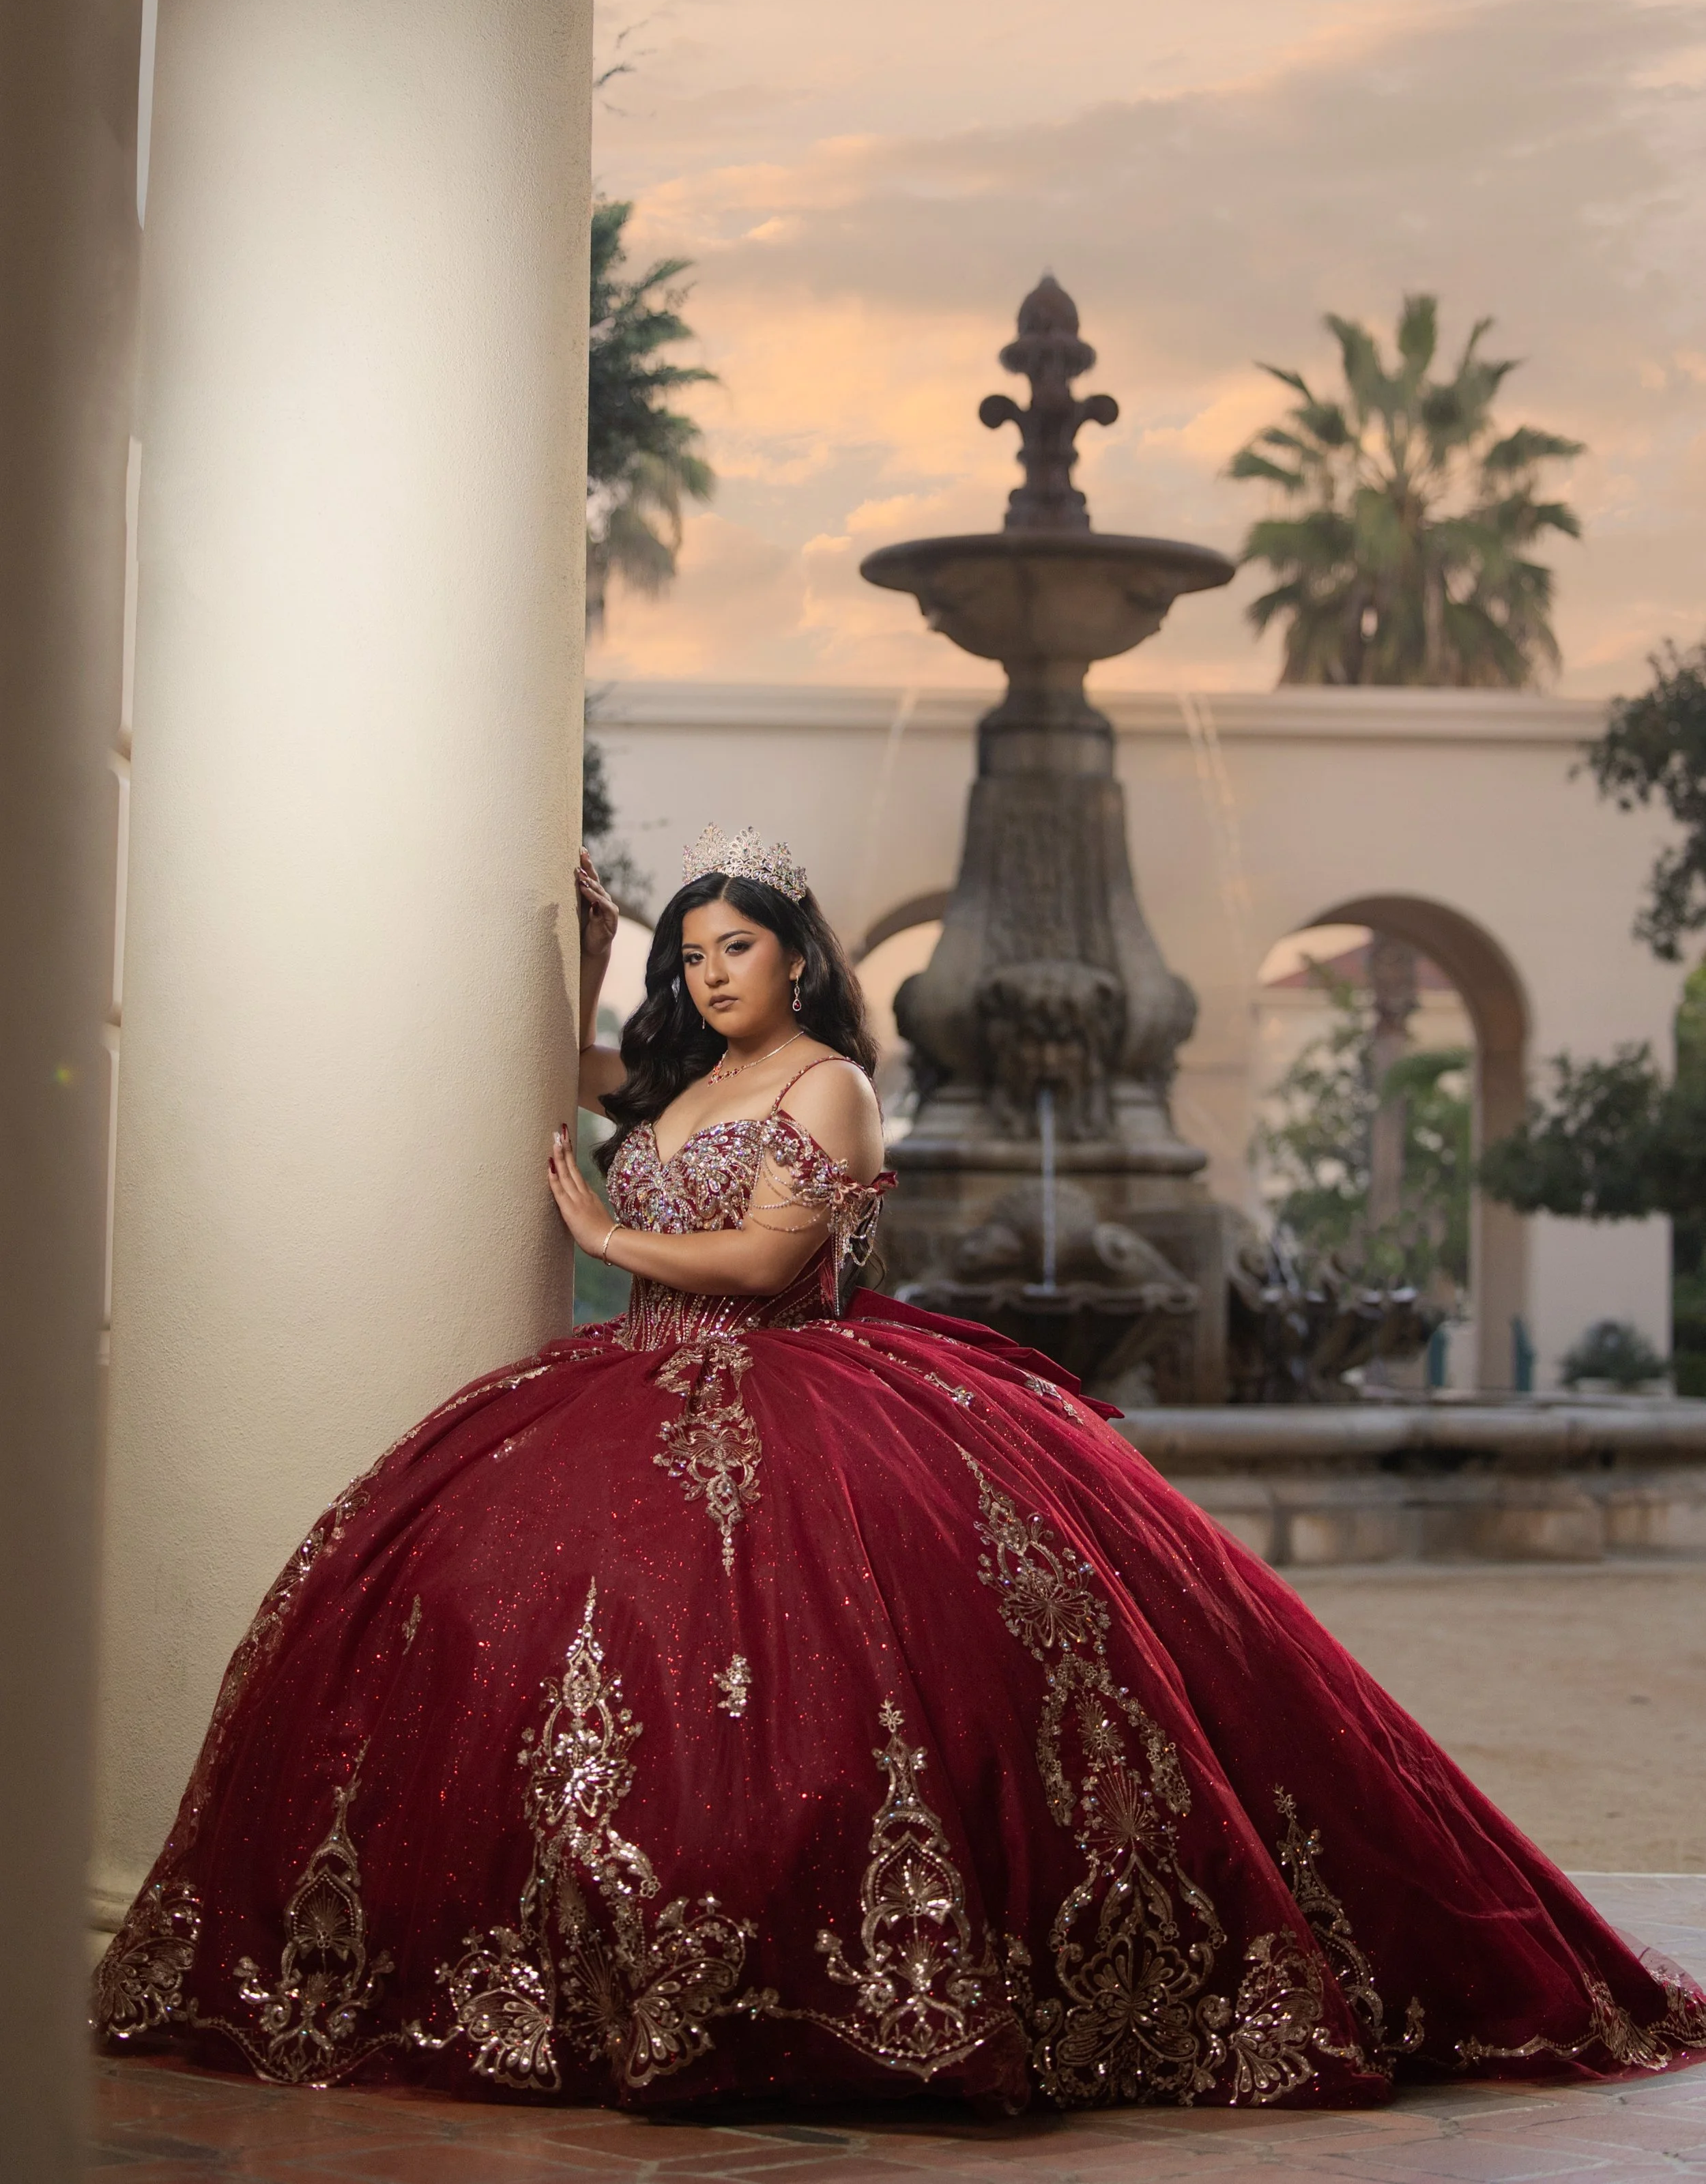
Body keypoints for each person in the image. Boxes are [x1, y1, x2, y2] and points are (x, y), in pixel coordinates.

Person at [96, 827, 1704, 2116]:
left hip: (794, 1387)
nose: (711, 973)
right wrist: (585, 954)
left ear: (795, 958)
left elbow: (762, 1258)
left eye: (735, 948)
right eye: (689, 953)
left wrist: (596, 1228)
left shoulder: (830, 1085)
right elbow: (575, 1077)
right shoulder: (682, 1082)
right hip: (631, 1384)